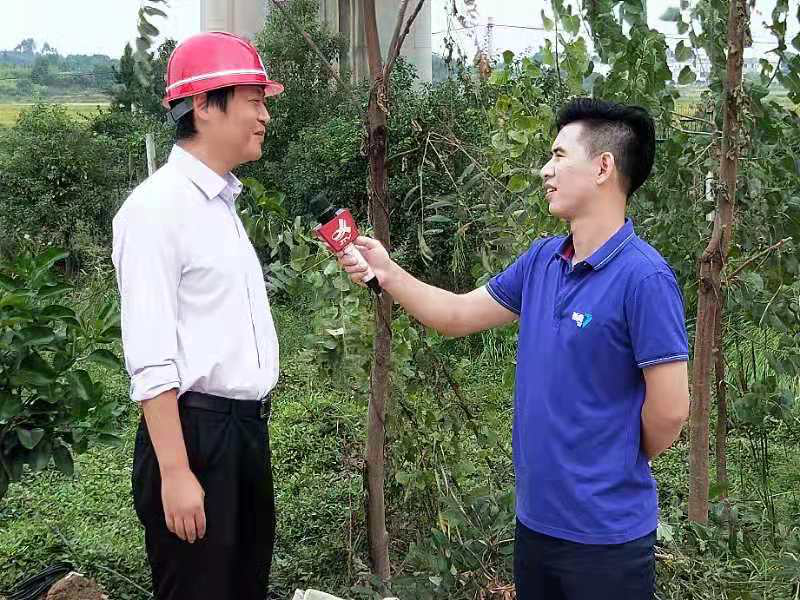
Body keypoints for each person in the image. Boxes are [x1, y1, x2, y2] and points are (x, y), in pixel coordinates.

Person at [336, 98, 690, 600]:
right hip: (536, 526)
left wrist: (614, 457)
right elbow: (457, 315)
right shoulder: (542, 260)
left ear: (603, 167)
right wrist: (387, 272)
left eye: (559, 155)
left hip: (607, 540)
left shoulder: (644, 277)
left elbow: (670, 410)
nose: (546, 169)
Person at [111, 32, 283, 600]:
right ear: (205, 105)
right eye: (254, 101)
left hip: (244, 432)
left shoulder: (220, 204)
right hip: (195, 437)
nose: (264, 116)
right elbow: (151, 354)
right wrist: (176, 472)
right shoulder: (156, 210)